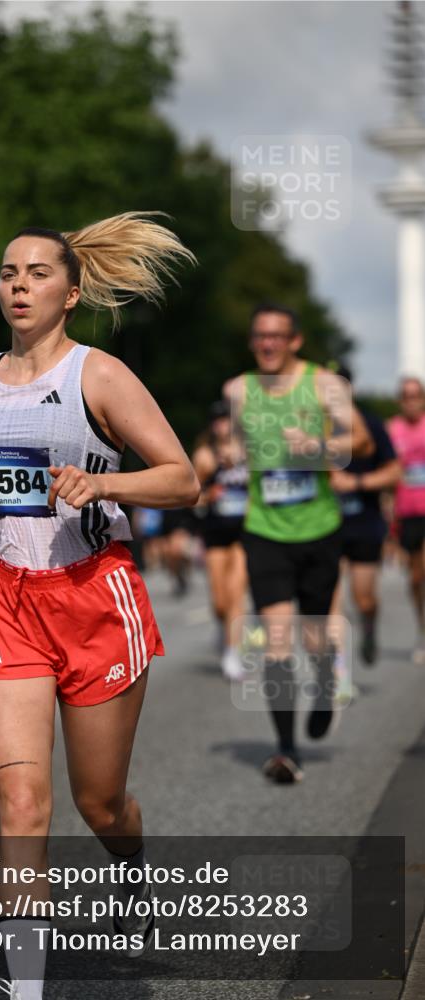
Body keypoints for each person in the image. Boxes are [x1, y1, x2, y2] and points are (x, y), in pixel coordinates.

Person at [0, 213, 199, 999]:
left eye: (38, 274)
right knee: (21, 799)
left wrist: (103, 482)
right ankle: (28, 984)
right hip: (4, 597)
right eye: (9, 273)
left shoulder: (97, 377)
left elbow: (182, 479)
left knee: (98, 804)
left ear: (70, 294)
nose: (19, 286)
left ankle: (129, 867)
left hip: (93, 597)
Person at [225, 304, 372, 784]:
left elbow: (362, 443)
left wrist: (318, 447)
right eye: (260, 336)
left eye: (277, 336)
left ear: (295, 341)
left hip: (319, 529)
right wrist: (226, 453)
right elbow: (233, 446)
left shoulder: (326, 386)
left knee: (314, 636)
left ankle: (326, 682)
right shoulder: (238, 391)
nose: (267, 344)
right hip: (265, 529)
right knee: (276, 638)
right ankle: (286, 751)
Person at [328, 365, 401, 687]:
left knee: (364, 599)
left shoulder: (369, 425)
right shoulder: (313, 425)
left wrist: (356, 482)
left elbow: (394, 472)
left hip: (364, 525)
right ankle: (338, 673)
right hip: (325, 527)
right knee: (330, 602)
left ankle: (369, 626)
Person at [192, 400, 249, 680]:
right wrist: (208, 495)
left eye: (225, 419)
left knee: (237, 593)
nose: (221, 425)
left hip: (244, 532)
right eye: (216, 420)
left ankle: (232, 652)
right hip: (215, 532)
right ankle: (222, 625)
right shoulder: (205, 456)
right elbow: (190, 496)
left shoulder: (250, 451)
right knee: (219, 601)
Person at [387, 376, 425, 663]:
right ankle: (422, 629)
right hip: (406, 512)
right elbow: (387, 474)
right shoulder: (392, 430)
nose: (411, 401)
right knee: (415, 578)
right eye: (406, 396)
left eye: (416, 395)